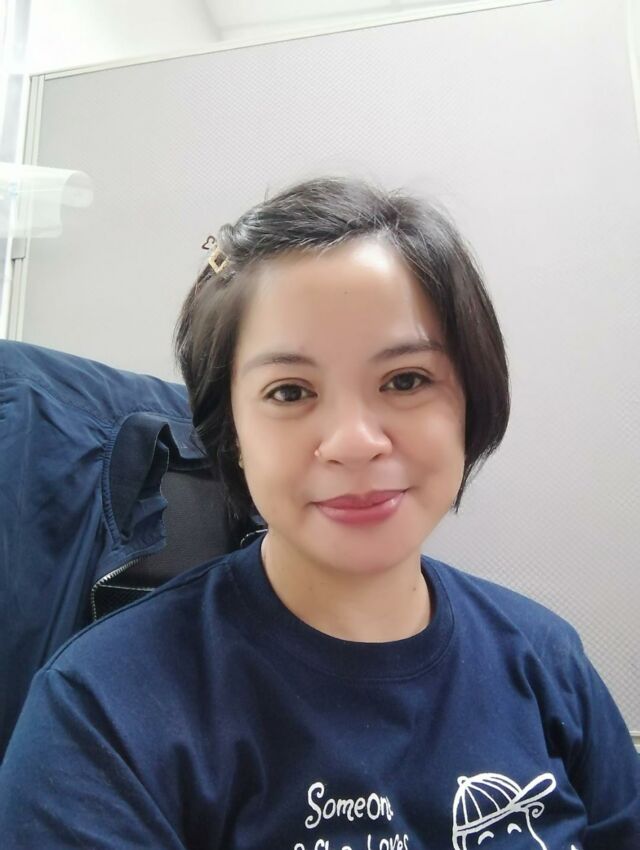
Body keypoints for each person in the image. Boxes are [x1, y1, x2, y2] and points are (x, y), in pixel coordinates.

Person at [0, 175, 637, 849]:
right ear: (231, 432)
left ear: (470, 401)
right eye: (290, 391)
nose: (354, 442)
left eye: (405, 380)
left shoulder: (547, 660)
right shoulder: (100, 712)